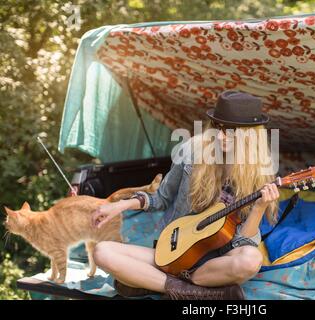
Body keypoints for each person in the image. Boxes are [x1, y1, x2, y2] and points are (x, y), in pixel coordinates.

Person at [91, 91, 280, 300]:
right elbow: (161, 198)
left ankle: (151, 282)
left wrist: (260, 208)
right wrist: (120, 206)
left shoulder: (259, 172)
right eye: (218, 126)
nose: (220, 136)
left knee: (251, 259)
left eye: (230, 131)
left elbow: (244, 242)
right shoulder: (192, 150)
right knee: (102, 252)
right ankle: (191, 292)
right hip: (176, 252)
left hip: (215, 262)